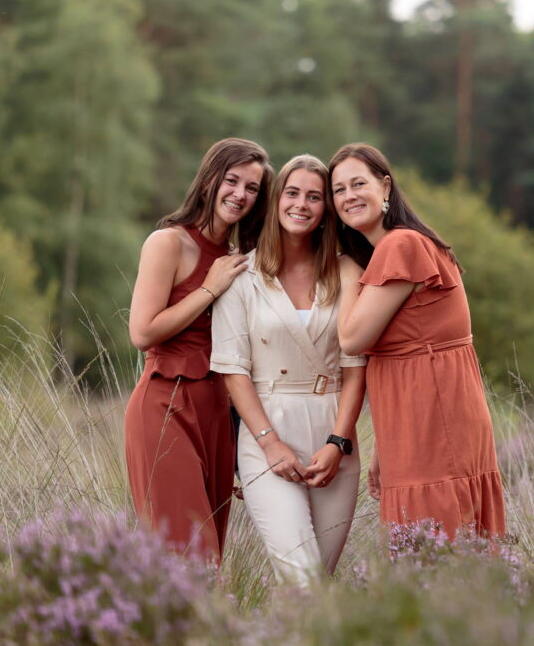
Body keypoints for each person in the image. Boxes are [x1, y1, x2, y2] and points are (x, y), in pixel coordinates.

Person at [330, 143, 505, 540]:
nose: (349, 196)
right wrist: (383, 446)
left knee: (434, 543)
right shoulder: (400, 245)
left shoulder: (401, 245)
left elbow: (352, 339)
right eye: (339, 190)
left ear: (385, 186)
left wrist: (346, 274)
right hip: (421, 413)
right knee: (437, 543)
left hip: (432, 415)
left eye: (358, 184)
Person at [211, 154, 367, 585]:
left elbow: (355, 368)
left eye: (314, 197)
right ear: (277, 199)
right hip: (267, 432)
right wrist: (270, 443)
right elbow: (233, 370)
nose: (301, 204)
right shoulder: (242, 274)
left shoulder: (346, 271)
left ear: (326, 209)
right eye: (292, 193)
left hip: (334, 434)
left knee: (315, 583)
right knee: (304, 579)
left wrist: (338, 443)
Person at [125, 138, 272, 562]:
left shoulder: (239, 259)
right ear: (209, 181)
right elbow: (143, 332)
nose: (240, 194)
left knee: (211, 557)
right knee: (188, 554)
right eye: (232, 181)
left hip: (219, 417)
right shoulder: (168, 243)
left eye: (252, 188)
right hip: (166, 404)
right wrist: (209, 288)